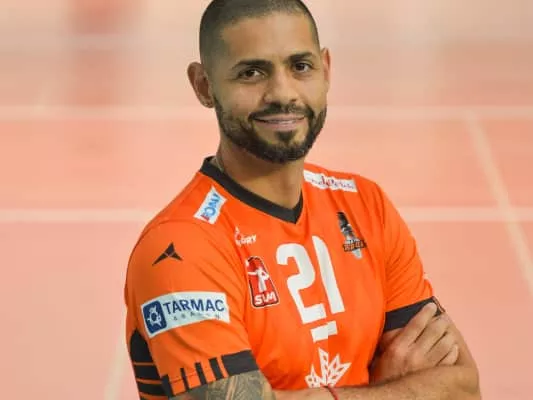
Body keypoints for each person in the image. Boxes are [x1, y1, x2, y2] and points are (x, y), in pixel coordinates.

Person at [123, 0, 481, 399]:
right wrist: (387, 388)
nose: (282, 93)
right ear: (204, 86)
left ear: (325, 70)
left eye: (300, 66)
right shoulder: (179, 248)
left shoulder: (366, 206)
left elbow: (463, 389)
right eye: (252, 72)